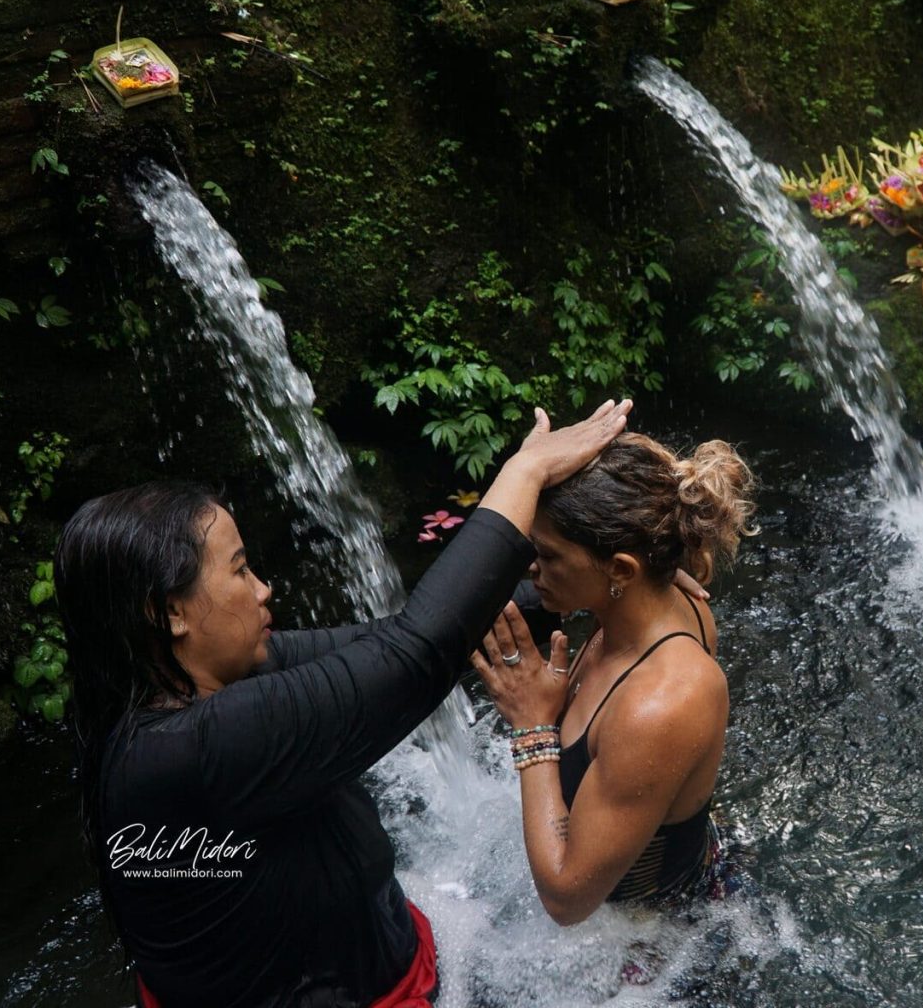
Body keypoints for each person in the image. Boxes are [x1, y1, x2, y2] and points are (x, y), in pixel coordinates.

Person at [52, 399, 632, 1008]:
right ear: (168, 613)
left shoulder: (196, 686)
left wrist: (576, 590)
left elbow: (396, 640)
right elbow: (415, 654)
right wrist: (524, 474)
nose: (263, 589)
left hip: (380, 961)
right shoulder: (192, 748)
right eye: (241, 570)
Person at [472, 433, 756, 925]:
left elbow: (566, 898)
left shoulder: (663, 702)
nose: (532, 567)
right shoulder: (650, 605)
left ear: (621, 568)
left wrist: (532, 725)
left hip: (660, 941)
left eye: (550, 555)